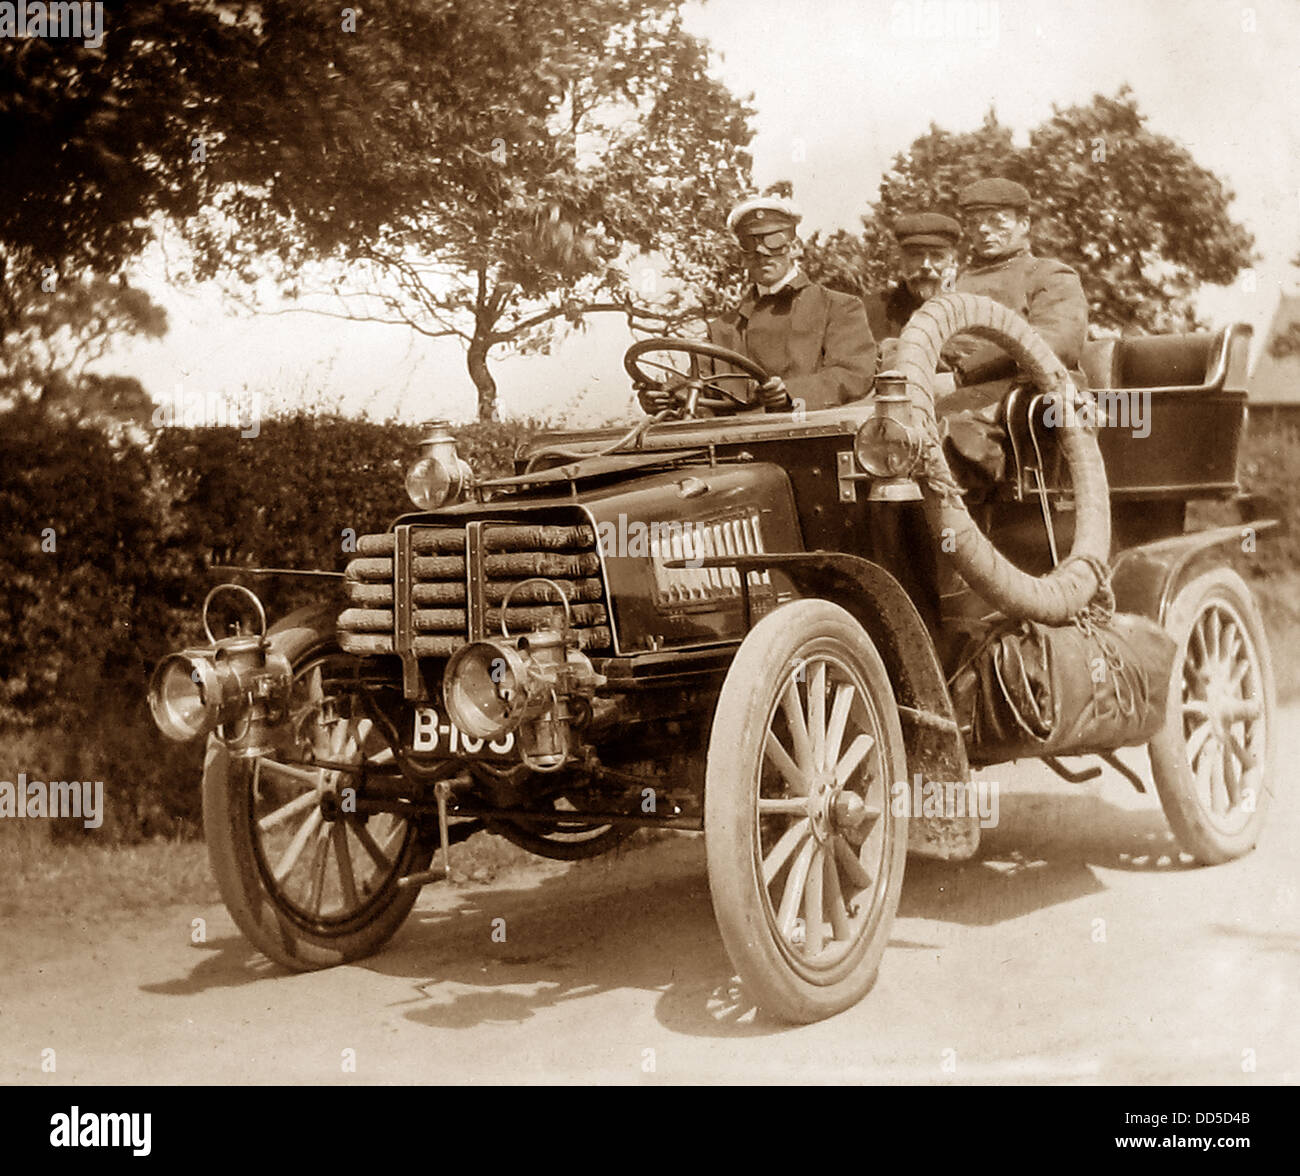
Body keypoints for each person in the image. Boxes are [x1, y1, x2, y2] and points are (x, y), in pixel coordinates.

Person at [638, 196, 876, 414]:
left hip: (810, 443)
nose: (762, 253)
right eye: (749, 244)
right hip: (733, 449)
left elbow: (854, 375)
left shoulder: (838, 308)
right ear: (742, 256)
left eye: (774, 241)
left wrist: (792, 392)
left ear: (795, 248)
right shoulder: (722, 329)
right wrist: (665, 397)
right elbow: (698, 389)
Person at [938, 177, 1089, 485]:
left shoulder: (1049, 274)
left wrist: (966, 368)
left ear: (1024, 223)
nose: (983, 230)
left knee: (951, 427)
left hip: (1020, 388)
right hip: (950, 386)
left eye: (997, 221)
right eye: (974, 222)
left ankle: (974, 507)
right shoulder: (955, 284)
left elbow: (1055, 340)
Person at [863, 211, 961, 348]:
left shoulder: (968, 311)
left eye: (937, 256)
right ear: (901, 259)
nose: (925, 266)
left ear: (953, 261)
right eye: (916, 256)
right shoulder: (869, 313)